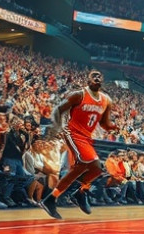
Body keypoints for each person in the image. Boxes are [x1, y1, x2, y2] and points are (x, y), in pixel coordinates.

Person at [40, 70, 117, 220]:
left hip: (87, 137)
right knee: (95, 164)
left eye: (99, 76)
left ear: (102, 81)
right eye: (93, 76)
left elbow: (104, 123)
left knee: (90, 170)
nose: (97, 77)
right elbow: (58, 109)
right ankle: (80, 192)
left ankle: (51, 199)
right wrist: (57, 127)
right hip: (72, 133)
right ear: (87, 80)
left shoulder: (106, 100)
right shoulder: (79, 95)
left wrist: (113, 127)